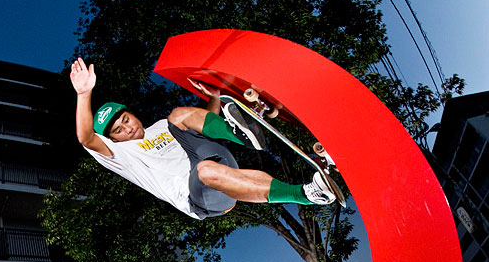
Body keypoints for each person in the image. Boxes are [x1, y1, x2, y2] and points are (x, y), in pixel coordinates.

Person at [70, 57, 336, 220]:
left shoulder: (163, 125)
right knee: (205, 169)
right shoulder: (121, 155)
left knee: (177, 116)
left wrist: (216, 96)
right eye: (118, 131)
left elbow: (203, 125)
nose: (127, 129)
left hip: (217, 164)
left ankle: (243, 135)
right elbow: (85, 138)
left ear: (132, 114)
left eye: (125, 120)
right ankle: (305, 194)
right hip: (198, 198)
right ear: (113, 140)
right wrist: (84, 93)